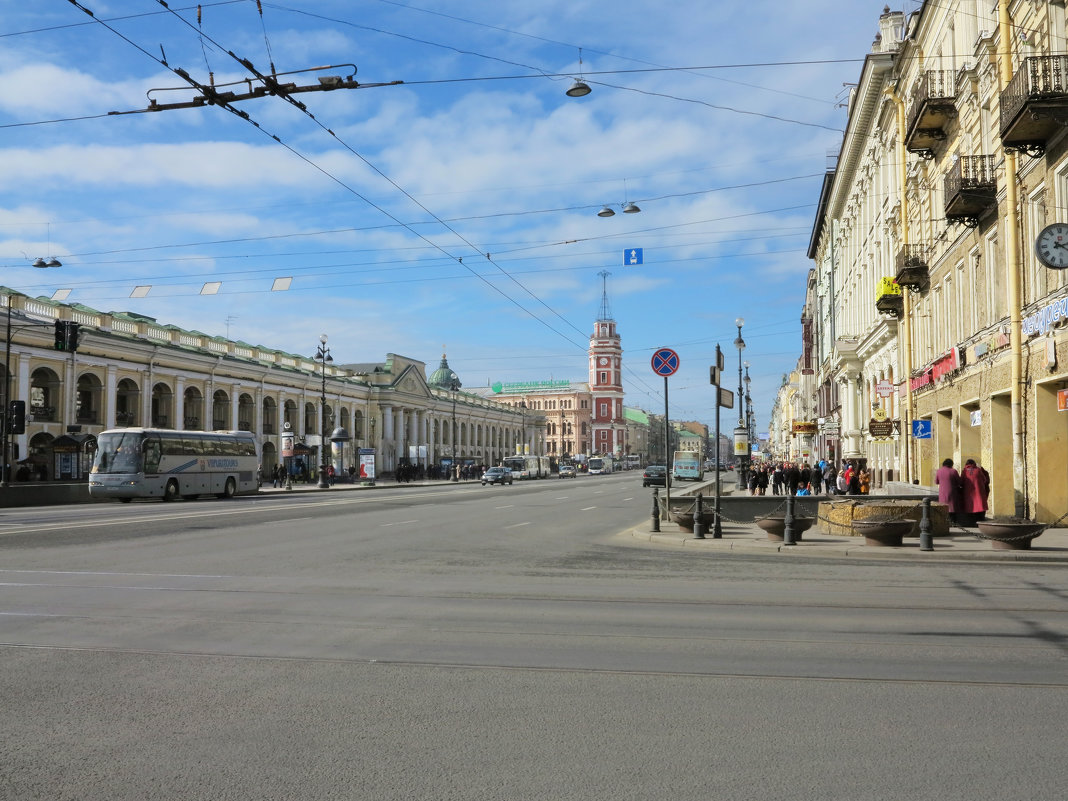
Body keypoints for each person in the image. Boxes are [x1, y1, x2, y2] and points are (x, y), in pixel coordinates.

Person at [960, 458, 990, 525]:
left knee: (970, 506)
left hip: (968, 493)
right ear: (974, 464)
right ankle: (980, 522)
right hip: (979, 491)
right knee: (979, 505)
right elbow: (984, 480)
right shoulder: (978, 470)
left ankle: (971, 523)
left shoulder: (964, 471)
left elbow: (961, 482)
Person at [935, 458, 964, 524]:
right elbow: (959, 482)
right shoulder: (953, 471)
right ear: (951, 464)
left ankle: (945, 522)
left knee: (944, 506)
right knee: (953, 507)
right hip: (952, 491)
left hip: (942, 492)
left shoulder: (939, 471)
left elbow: (936, 482)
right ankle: (953, 522)